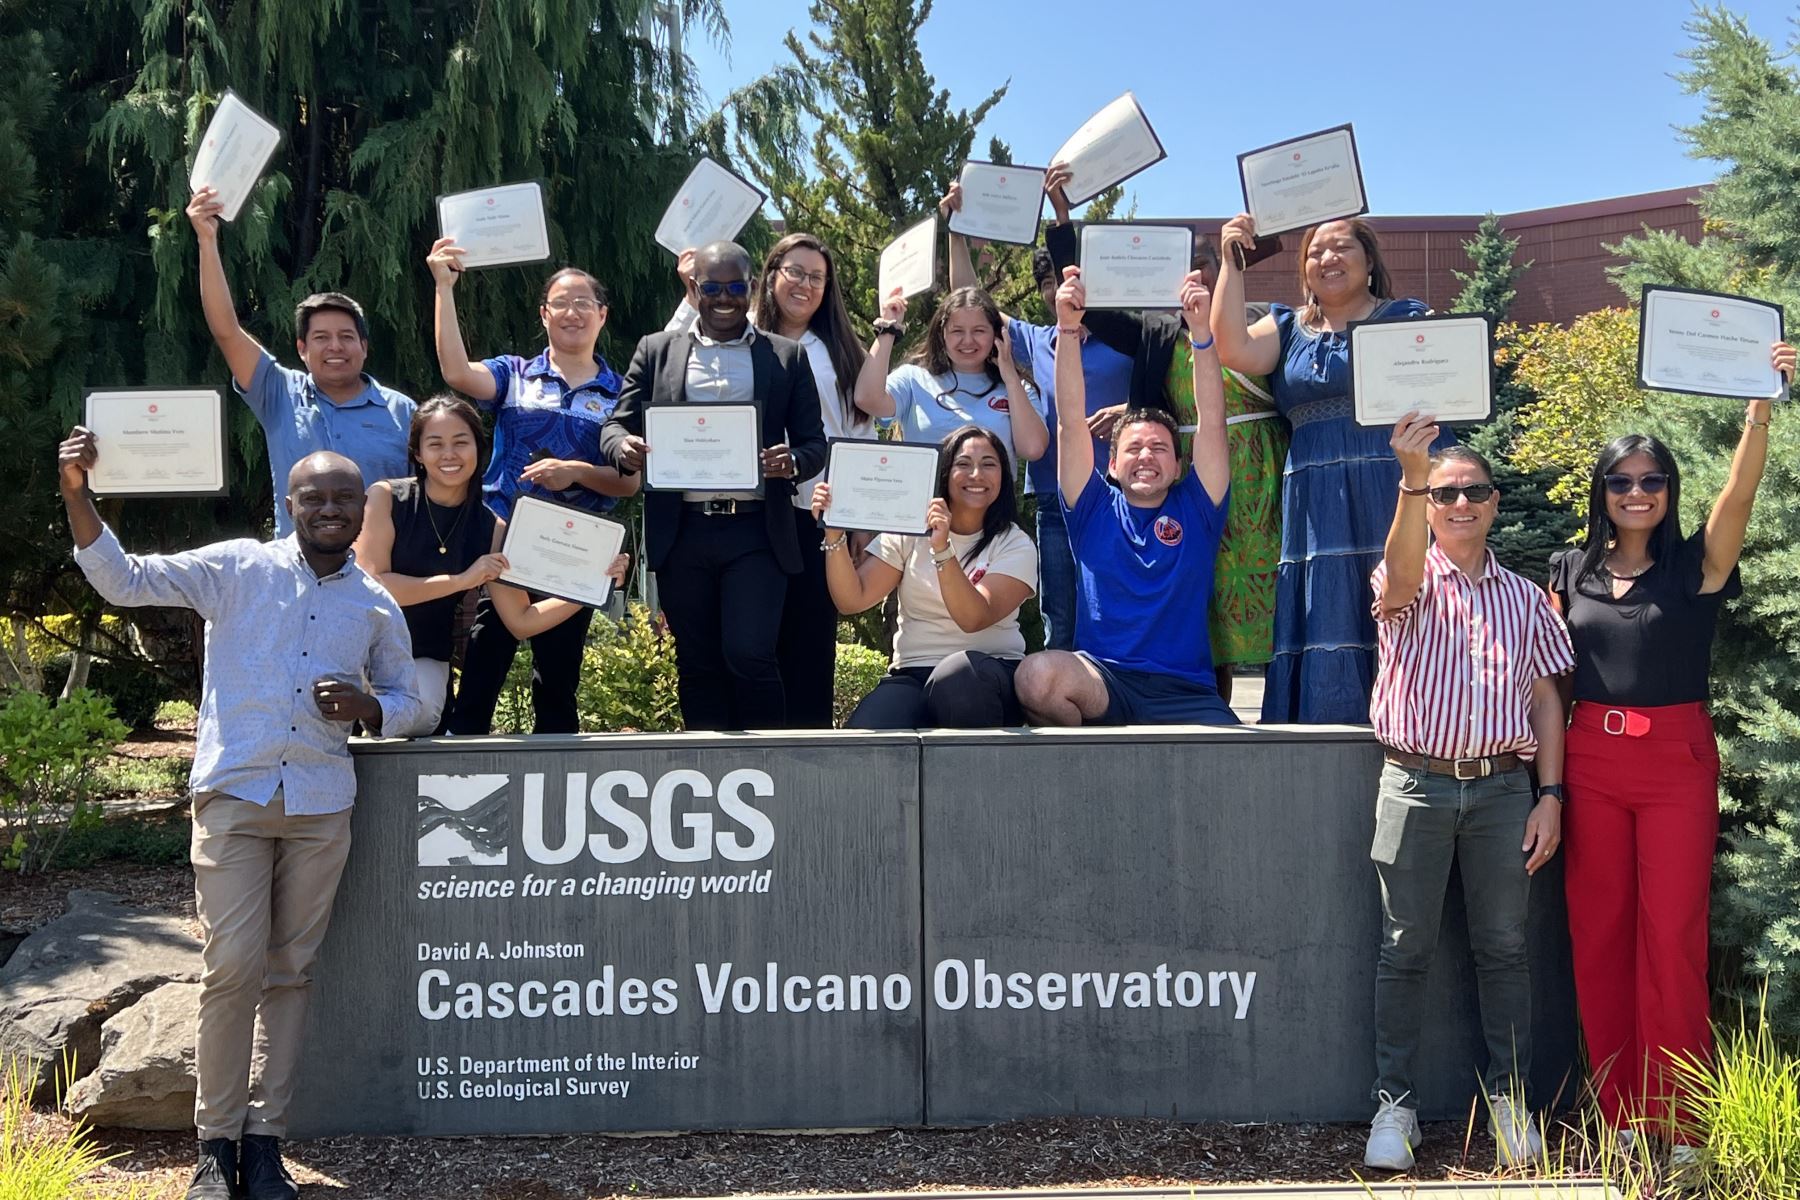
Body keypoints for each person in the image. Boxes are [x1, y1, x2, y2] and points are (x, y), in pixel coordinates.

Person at [57, 429, 423, 1200]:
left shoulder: (374, 604)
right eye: (313, 497)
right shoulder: (235, 568)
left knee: (290, 974)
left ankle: (264, 1145)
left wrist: (370, 706)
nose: (329, 508)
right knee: (231, 971)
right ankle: (213, 1146)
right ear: (287, 506)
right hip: (236, 797)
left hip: (321, 807)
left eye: (343, 497)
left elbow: (414, 702)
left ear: (363, 508)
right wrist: (76, 492)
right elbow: (123, 580)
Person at [1548, 340, 1793, 1154]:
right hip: (1590, 761)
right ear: (1602, 492)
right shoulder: (1569, 567)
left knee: (1672, 939)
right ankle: (1621, 1120)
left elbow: (1740, 493)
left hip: (1676, 764)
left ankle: (1683, 1125)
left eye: (1652, 480)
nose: (1637, 492)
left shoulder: (1697, 567)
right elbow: (1546, 675)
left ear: (1669, 491)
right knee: (1602, 932)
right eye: (1621, 481)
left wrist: (1759, 408)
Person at [1361, 416, 1574, 1173]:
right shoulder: (1402, 575)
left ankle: (1510, 1101)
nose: (1459, 503)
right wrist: (1411, 477)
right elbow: (1403, 579)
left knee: (1505, 950)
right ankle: (1395, 1106)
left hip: (1500, 793)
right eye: (1445, 493)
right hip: (1414, 783)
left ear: (1493, 503)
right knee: (1402, 948)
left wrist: (1550, 793)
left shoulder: (1523, 598)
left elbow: (1547, 700)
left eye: (1472, 491)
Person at [1037, 203, 1287, 703]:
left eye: (1206, 265)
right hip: (1186, 466)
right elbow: (1096, 312)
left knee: (1276, 599)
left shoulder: (1259, 321)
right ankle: (1205, 696)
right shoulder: (1155, 329)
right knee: (1202, 601)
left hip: (1260, 479)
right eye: (1186, 266)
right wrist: (1064, 226)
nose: (1196, 275)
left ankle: (1278, 709)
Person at [1213, 214, 1448, 725]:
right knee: (1328, 604)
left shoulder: (1404, 318)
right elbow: (1231, 347)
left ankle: (1413, 723)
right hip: (1314, 495)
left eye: (1342, 248)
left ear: (1369, 263)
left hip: (1388, 482)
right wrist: (1231, 261)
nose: (1328, 258)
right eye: (1316, 252)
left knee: (1396, 593)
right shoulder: (1286, 327)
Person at [601, 240, 827, 731]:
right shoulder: (655, 350)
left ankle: (770, 759)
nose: (724, 297)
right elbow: (613, 426)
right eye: (711, 287)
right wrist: (623, 450)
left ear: (752, 288)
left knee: (749, 653)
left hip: (756, 534)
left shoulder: (785, 356)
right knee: (697, 661)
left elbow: (815, 444)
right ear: (693, 287)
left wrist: (792, 461)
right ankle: (709, 760)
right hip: (682, 531)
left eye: (735, 287)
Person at [425, 243, 639, 734]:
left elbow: (629, 484)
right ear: (544, 314)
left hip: (574, 545)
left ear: (602, 315)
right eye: (561, 303)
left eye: (584, 303)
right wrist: (444, 287)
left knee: (558, 682)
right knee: (483, 662)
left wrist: (578, 472)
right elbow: (457, 372)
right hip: (506, 538)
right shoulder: (515, 373)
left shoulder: (621, 393)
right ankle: (461, 780)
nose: (572, 312)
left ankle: (557, 784)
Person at [1013, 267, 1236, 726]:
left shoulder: (1199, 507)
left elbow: (1213, 420)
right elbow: (1070, 421)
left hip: (1188, 690)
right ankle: (1088, 770)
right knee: (1037, 676)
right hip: (1105, 684)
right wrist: (1069, 329)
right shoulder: (1091, 507)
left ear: (1178, 465)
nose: (1146, 456)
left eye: (1159, 448)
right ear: (1110, 465)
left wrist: (1200, 334)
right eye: (1133, 448)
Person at [351, 396, 629, 734]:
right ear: (417, 454)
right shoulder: (386, 498)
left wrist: (595, 584)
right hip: (359, 642)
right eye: (435, 444)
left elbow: (521, 622)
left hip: (421, 653)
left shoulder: (491, 528)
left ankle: (369, 713)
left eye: (460, 442)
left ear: (479, 450)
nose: (449, 454)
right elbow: (374, 587)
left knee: (418, 716)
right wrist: (462, 579)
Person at [942, 166, 1134, 652]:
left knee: (1119, 607)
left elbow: (1168, 400)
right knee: (1061, 619)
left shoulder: (1129, 338)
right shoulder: (1035, 341)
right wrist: (956, 232)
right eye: (1045, 283)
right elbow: (971, 302)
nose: (1055, 291)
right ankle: (1063, 712)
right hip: (1054, 497)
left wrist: (1130, 412)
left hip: (1121, 493)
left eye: (1062, 279)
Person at [188, 186, 414, 536]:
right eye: (321, 338)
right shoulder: (277, 392)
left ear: (364, 347)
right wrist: (206, 240)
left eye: (346, 337)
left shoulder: (403, 412)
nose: (335, 347)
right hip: (296, 570)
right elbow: (226, 331)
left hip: (380, 573)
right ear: (302, 349)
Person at [814, 424, 1037, 727]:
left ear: (1003, 477)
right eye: (963, 464)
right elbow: (852, 599)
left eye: (989, 465)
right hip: (914, 673)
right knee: (865, 736)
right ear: (943, 473)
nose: (976, 475)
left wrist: (942, 548)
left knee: (959, 679)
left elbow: (972, 617)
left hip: (986, 674)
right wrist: (835, 530)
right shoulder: (908, 530)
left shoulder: (1015, 543)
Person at [853, 280, 1049, 469]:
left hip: (991, 501)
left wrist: (1011, 379)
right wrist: (888, 329)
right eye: (957, 331)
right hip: (926, 501)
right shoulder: (913, 379)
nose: (968, 341)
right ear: (942, 334)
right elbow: (867, 399)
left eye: (979, 331)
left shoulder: (1017, 388)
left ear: (997, 334)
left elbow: (1033, 448)